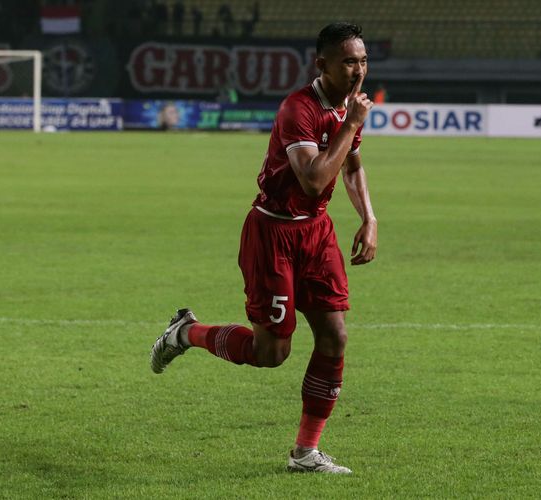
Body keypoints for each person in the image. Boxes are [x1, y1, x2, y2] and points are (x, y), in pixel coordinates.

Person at [150, 22, 376, 474]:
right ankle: (186, 332)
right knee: (271, 353)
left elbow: (350, 168)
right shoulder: (299, 108)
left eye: (364, 61)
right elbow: (313, 178)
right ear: (323, 64)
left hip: (316, 232)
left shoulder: (349, 108)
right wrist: (351, 124)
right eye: (349, 61)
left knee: (335, 335)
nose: (359, 71)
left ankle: (305, 453)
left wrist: (369, 217)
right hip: (272, 233)